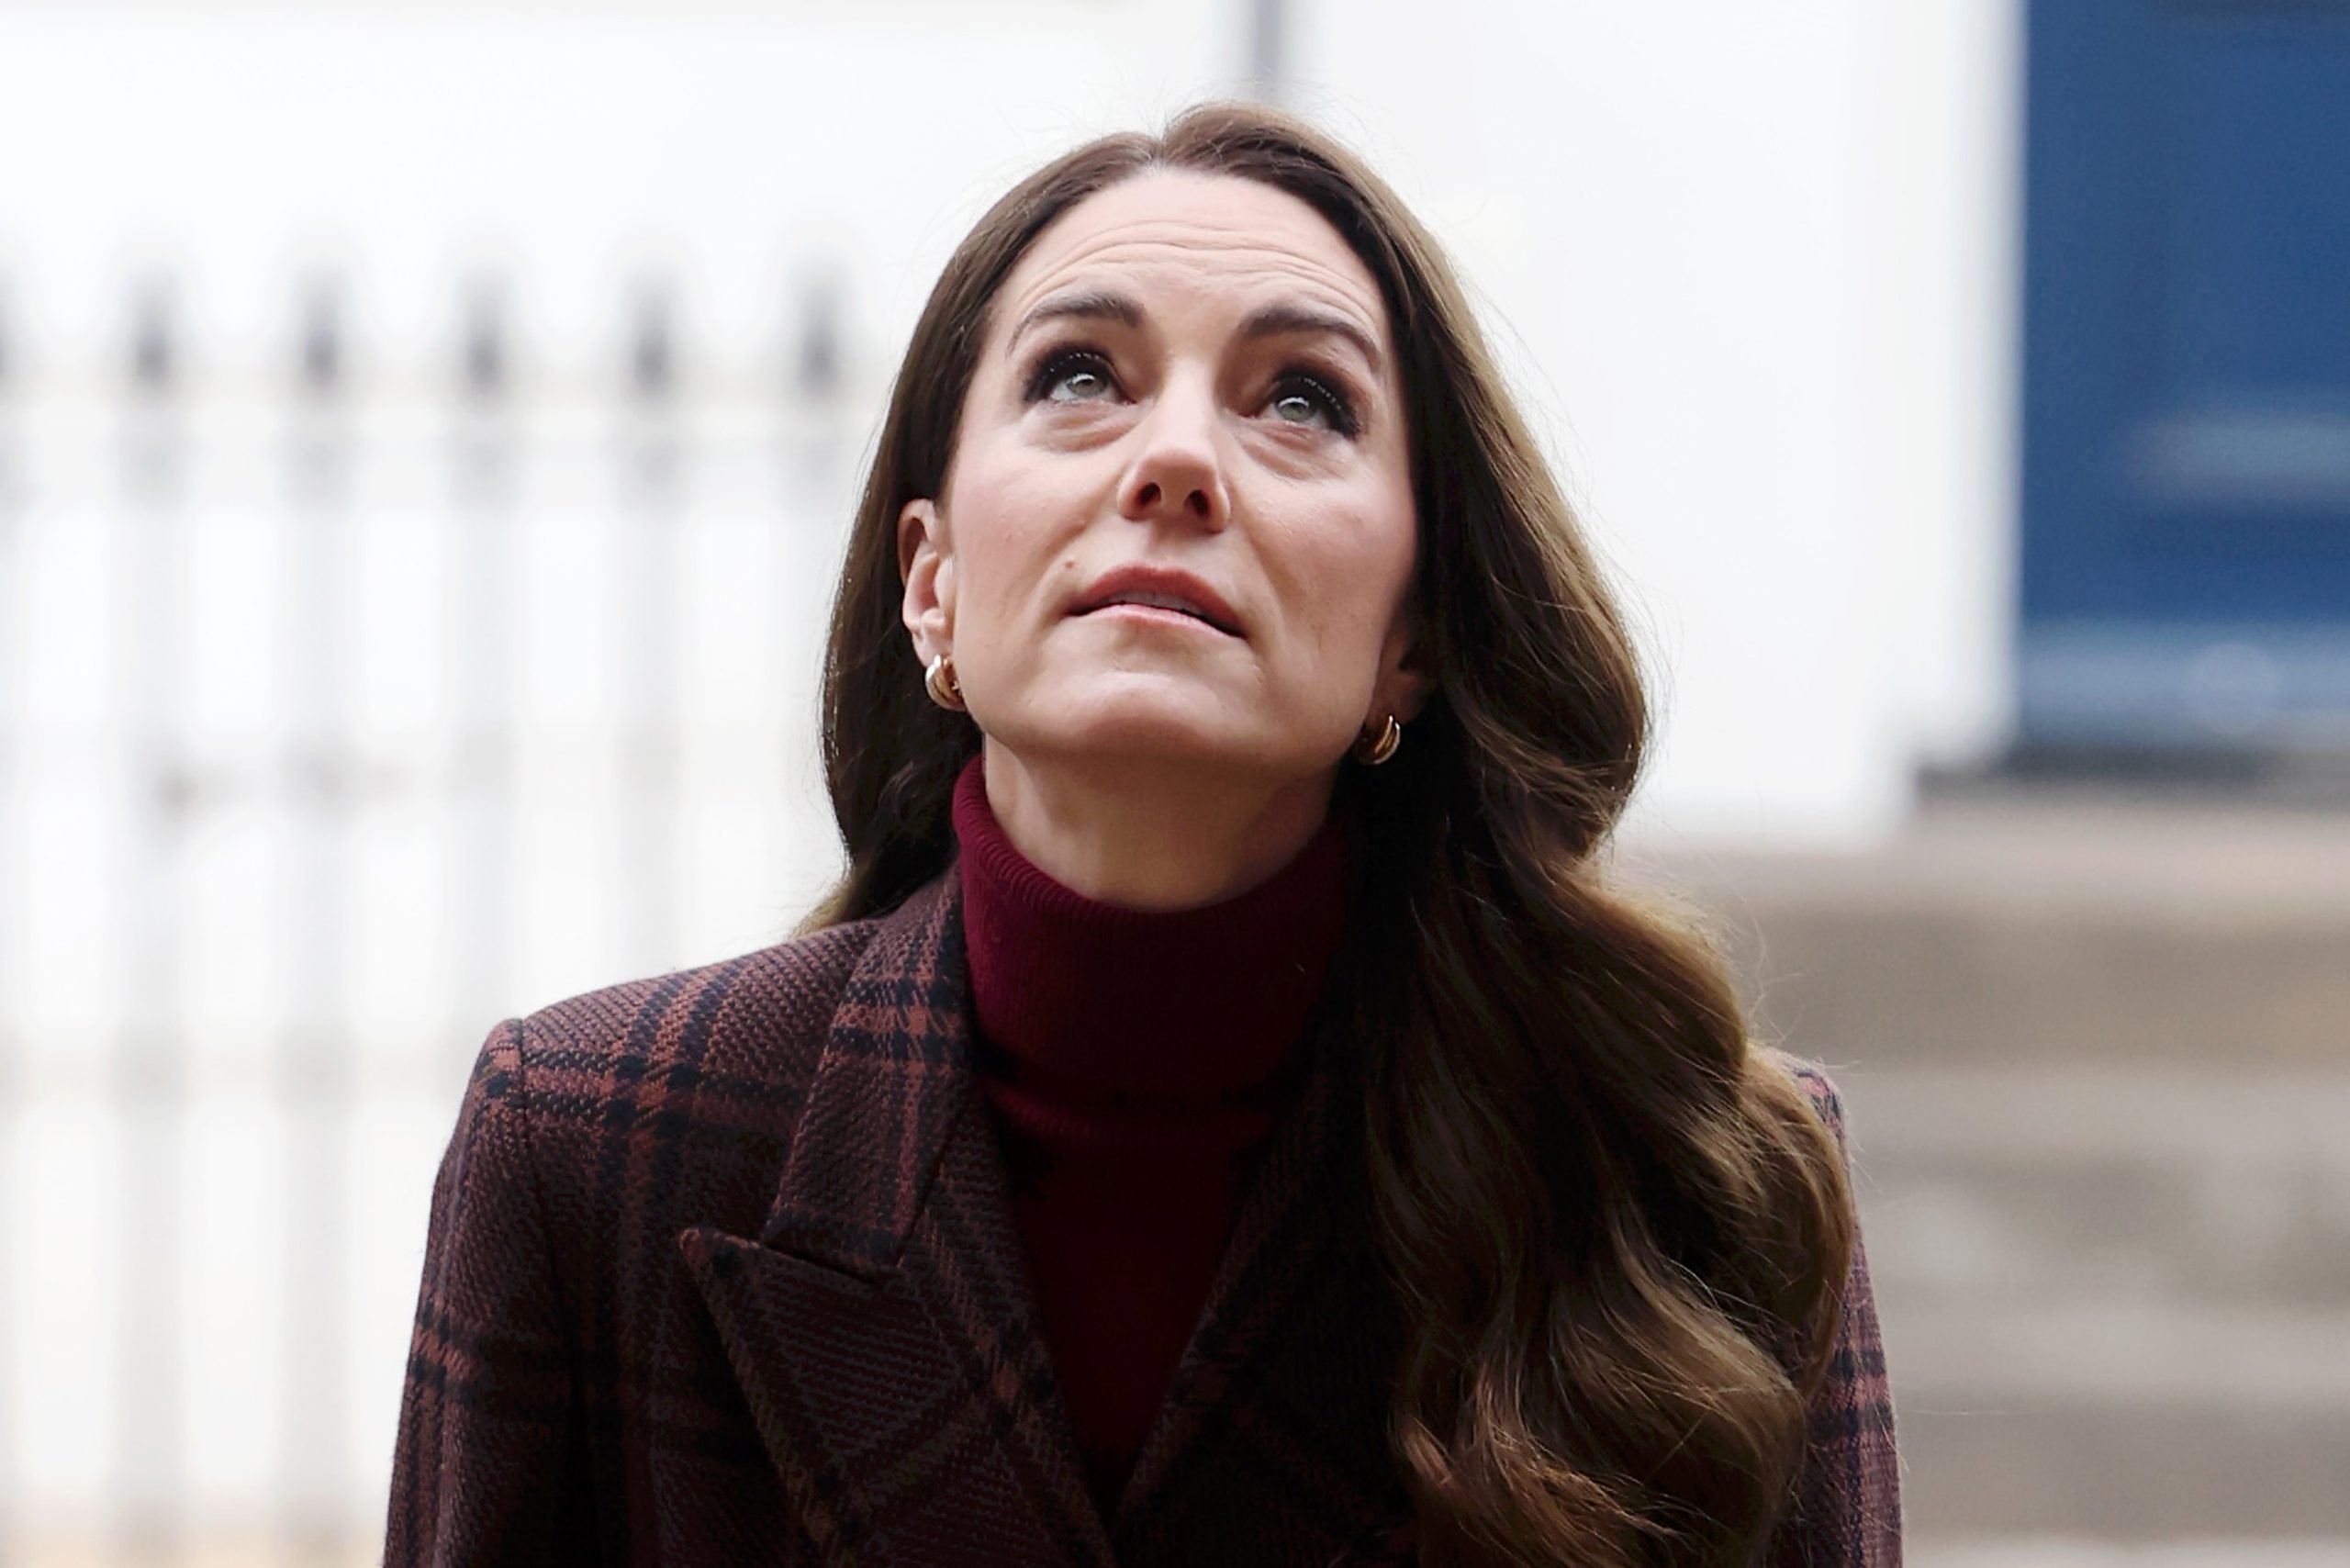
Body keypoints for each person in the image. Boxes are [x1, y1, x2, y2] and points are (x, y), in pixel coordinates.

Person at [386, 101, 1901, 1567]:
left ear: (1413, 639)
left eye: (1302, 400)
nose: (1173, 462)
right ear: (935, 585)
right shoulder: (595, 1160)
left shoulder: (1690, 1191)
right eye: (1077, 377)